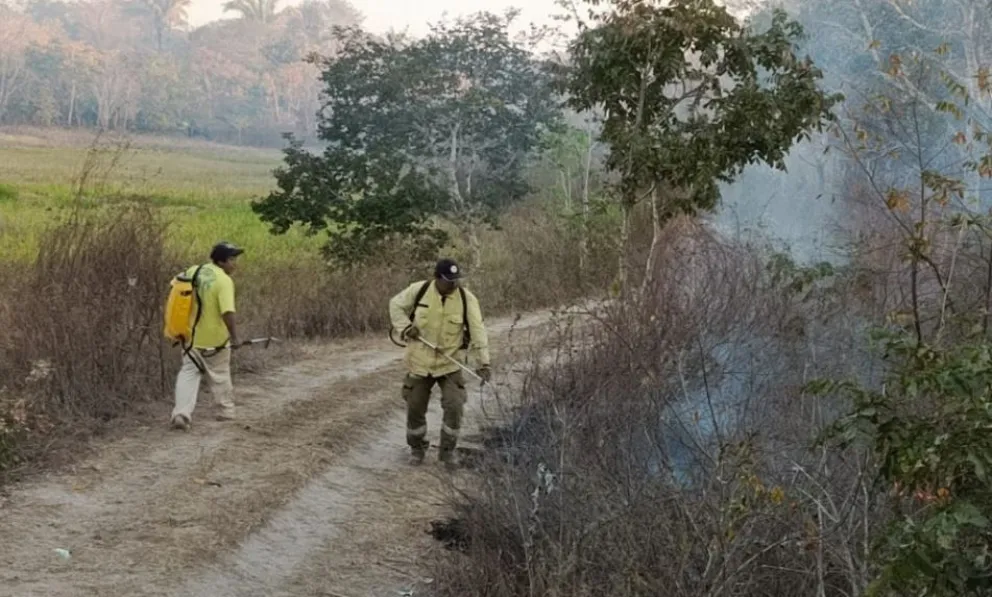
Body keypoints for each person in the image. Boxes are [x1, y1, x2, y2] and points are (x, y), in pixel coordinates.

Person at [389, 258, 491, 467]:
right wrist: (406, 328)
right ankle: (417, 448)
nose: (453, 285)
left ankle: (447, 451)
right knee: (415, 407)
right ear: (437, 277)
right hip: (419, 361)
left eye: (456, 280)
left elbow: (478, 331)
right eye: (448, 280)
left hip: (450, 363)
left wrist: (484, 363)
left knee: (454, 406)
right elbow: (395, 306)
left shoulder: (466, 298)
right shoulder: (419, 290)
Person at [170, 241, 243, 431]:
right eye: (232, 259)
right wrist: (234, 337)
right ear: (221, 262)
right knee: (219, 373)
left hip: (188, 336)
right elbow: (227, 312)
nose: (235, 263)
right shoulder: (224, 281)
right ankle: (225, 411)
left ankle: (181, 414)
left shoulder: (193, 271)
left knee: (188, 373)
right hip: (215, 338)